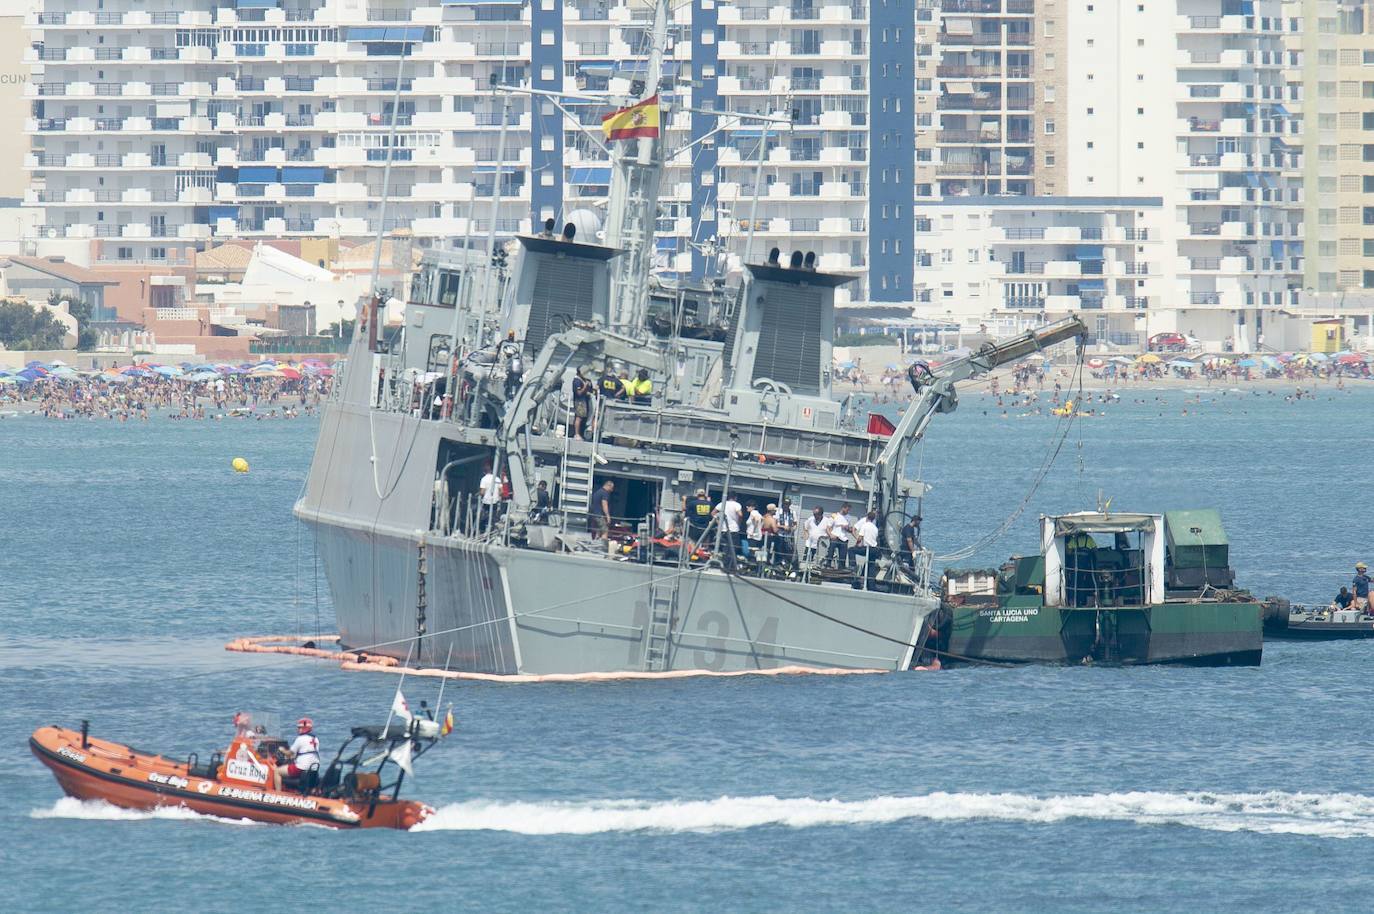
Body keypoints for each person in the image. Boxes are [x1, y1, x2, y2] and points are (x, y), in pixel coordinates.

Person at [275, 717, 321, 793]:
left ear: (304, 728)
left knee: (277, 771)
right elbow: (306, 752)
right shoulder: (315, 739)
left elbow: (289, 753)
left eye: (299, 728)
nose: (298, 730)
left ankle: (278, 794)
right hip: (313, 768)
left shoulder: (300, 738)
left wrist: (282, 750)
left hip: (301, 767)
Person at [713, 492, 743, 567]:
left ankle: (723, 563)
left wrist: (718, 522)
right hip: (733, 529)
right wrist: (739, 523)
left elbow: (713, 513)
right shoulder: (737, 505)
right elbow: (740, 515)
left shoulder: (721, 504)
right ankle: (729, 565)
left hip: (723, 529)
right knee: (733, 547)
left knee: (724, 547)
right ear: (735, 497)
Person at [852, 509, 880, 585]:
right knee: (871, 564)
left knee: (851, 550)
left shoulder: (865, 525)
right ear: (873, 519)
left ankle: (852, 566)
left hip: (867, 548)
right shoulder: (875, 528)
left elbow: (860, 538)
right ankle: (871, 583)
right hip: (874, 549)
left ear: (867, 517)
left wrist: (856, 545)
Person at [683, 488, 713, 552]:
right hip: (705, 528)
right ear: (705, 495)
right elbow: (712, 515)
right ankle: (703, 554)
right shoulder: (710, 504)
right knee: (704, 547)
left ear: (697, 495)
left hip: (694, 527)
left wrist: (684, 500)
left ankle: (694, 554)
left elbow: (684, 509)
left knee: (693, 545)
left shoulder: (692, 503)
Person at [826, 504, 853, 568]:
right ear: (843, 508)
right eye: (847, 510)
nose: (848, 511)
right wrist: (830, 535)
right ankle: (828, 564)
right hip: (835, 536)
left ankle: (841, 568)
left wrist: (847, 528)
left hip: (843, 538)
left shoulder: (849, 517)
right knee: (831, 551)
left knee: (843, 555)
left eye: (849, 510)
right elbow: (828, 527)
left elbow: (850, 529)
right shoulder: (834, 515)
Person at [478, 464, 503, 531]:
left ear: (484, 472)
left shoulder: (484, 479)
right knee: (493, 518)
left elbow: (482, 492)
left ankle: (483, 531)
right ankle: (491, 530)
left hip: (486, 502)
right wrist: (496, 496)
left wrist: (478, 494)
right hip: (494, 502)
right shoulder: (497, 479)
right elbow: (501, 491)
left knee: (484, 517)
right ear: (491, 471)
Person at [571, 369, 592, 440]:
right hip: (579, 401)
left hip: (585, 401)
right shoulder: (577, 380)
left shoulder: (586, 380)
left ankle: (581, 434)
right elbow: (579, 393)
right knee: (579, 417)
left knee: (584, 418)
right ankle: (576, 434)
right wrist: (585, 386)